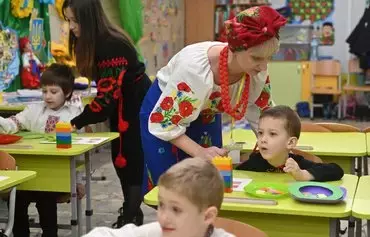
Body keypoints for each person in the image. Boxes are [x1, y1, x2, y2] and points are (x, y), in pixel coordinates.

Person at [140, 6, 287, 193]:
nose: (264, 65)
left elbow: (262, 112)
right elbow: (165, 123)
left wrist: (275, 145)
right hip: (165, 115)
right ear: (234, 48)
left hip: (205, 114)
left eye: (269, 58)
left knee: (209, 183)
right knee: (174, 189)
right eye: (257, 58)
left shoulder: (256, 69)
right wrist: (200, 152)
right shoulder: (195, 69)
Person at [62, 0, 152, 227]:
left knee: (131, 160)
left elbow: (106, 100)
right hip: (125, 104)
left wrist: (76, 121)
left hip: (135, 104)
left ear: (89, 18)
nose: (71, 26)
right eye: (68, 20)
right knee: (121, 159)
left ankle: (131, 217)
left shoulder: (111, 44)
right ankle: (132, 213)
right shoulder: (99, 40)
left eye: (75, 20)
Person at [0, 63, 85, 237]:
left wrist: (79, 180)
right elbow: (14, 124)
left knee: (45, 199)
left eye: (53, 92)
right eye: (44, 91)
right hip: (28, 175)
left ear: (67, 93)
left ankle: (50, 234)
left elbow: (81, 148)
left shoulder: (74, 115)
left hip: (55, 177)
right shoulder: (34, 110)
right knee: (17, 197)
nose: (48, 96)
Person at [82, 158, 235, 237]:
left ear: (207, 216)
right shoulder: (159, 231)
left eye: (176, 209)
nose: (163, 217)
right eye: (161, 205)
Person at [236, 105, 344, 181]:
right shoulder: (255, 161)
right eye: (260, 133)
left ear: (290, 142)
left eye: (272, 134)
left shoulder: (296, 163)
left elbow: (336, 170)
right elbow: (237, 174)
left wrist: (302, 175)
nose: (263, 139)